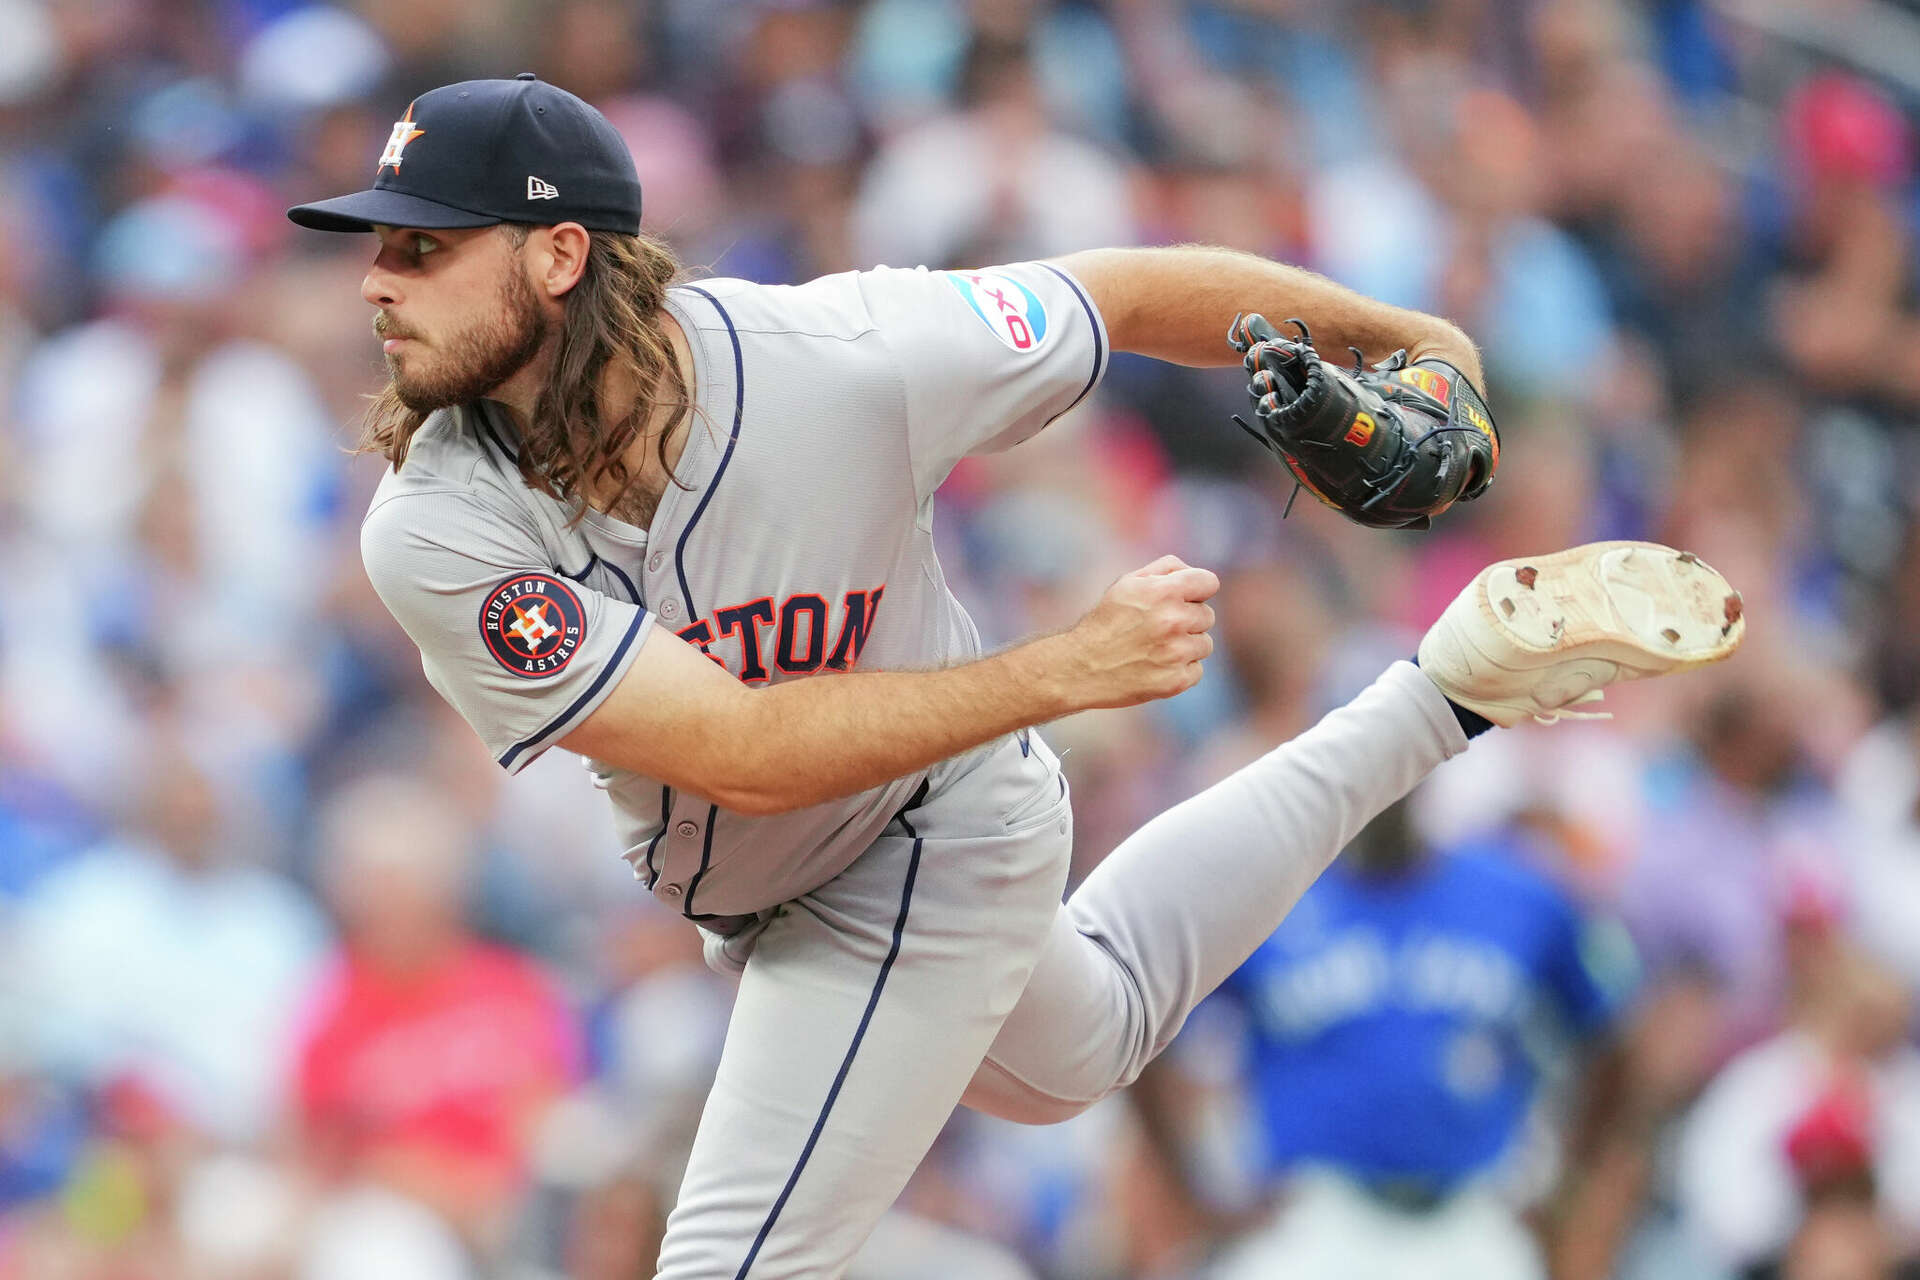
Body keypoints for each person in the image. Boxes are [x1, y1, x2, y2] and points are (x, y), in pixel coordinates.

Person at [288, 74, 1744, 1278]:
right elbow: (737, 751)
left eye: (422, 246)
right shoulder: (437, 521)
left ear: (556, 256)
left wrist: (1411, 339)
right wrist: (1062, 670)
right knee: (1084, 1042)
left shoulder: (838, 360)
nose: (375, 281)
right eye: (378, 245)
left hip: (927, 837)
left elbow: (1118, 293)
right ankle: (1450, 689)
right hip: (795, 857)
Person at [1132, 801, 1630, 1280]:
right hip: (1318, 1212)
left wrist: (1570, 1187)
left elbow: (1611, 1034)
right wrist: (1195, 1192)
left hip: (1474, 1211)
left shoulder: (1517, 894)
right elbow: (1145, 1030)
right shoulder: (1268, 896)